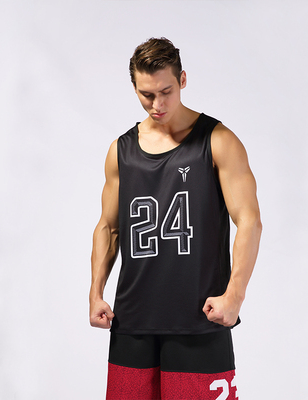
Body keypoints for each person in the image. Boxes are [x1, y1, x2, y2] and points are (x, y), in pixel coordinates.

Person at [89, 37, 262, 400]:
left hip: (199, 320)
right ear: (135, 88)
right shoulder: (120, 150)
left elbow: (249, 220)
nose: (158, 104)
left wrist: (234, 295)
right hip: (132, 323)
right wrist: (95, 292)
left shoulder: (218, 140)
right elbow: (109, 226)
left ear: (182, 79)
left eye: (166, 92)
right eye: (147, 94)